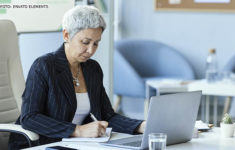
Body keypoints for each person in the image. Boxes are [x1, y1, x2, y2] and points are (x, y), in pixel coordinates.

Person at [9, 5, 146, 149]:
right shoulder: (44, 66)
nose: (90, 50)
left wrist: (141, 126)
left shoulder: (92, 69)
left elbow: (107, 115)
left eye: (96, 43)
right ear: (67, 35)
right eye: (85, 42)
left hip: (76, 144)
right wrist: (78, 130)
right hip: (41, 144)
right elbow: (29, 118)